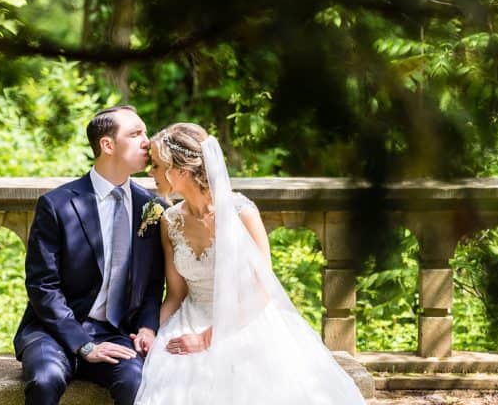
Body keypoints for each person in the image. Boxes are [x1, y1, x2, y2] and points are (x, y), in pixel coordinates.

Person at [134, 123, 365, 405]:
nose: (150, 172)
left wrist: (208, 338)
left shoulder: (241, 212)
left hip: (245, 318)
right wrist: (151, 330)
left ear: (180, 171)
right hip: (190, 318)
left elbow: (262, 289)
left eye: (157, 165)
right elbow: (176, 295)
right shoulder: (169, 221)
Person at [14, 106, 166, 405]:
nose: (147, 141)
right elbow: (42, 286)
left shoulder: (151, 207)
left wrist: (147, 326)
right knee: (45, 380)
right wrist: (83, 345)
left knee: (136, 382)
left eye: (145, 133)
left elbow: (152, 283)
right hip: (53, 331)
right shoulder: (57, 204)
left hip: (117, 333)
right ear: (107, 145)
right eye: (135, 134)